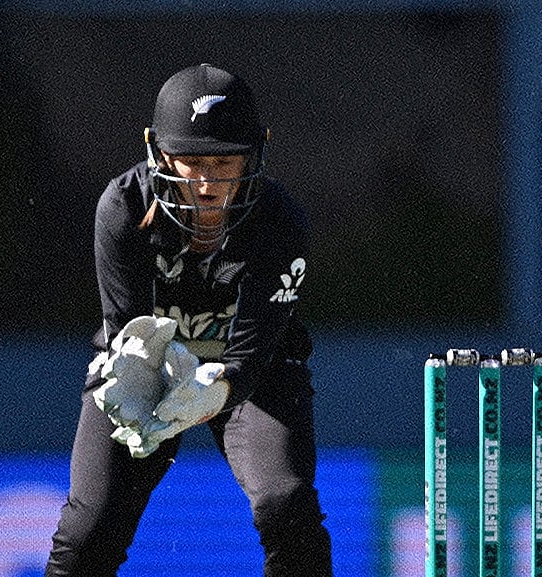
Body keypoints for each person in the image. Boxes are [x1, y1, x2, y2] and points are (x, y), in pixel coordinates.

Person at [45, 64, 333, 576]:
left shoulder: (280, 221)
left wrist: (216, 389)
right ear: (158, 153)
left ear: (256, 153)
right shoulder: (123, 207)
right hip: (145, 369)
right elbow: (131, 337)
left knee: (286, 504)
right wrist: (142, 384)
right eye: (191, 161)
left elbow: (250, 354)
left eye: (225, 162)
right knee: (89, 529)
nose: (206, 183)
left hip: (252, 370)